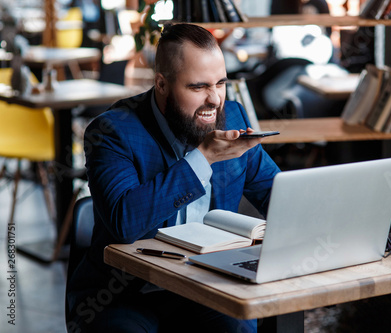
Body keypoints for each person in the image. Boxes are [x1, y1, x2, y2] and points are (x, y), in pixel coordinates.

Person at [66, 23, 281, 332]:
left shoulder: (232, 117)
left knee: (240, 328)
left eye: (220, 83)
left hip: (207, 286)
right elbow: (125, 223)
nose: (215, 99)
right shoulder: (113, 132)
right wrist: (203, 157)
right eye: (198, 87)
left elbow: (279, 196)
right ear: (162, 85)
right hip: (124, 295)